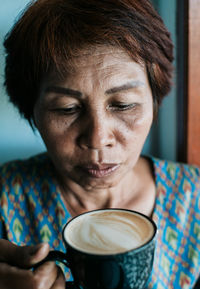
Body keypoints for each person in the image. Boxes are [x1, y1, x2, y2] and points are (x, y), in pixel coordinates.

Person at [0, 0, 199, 288]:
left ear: (155, 103)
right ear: (32, 110)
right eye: (67, 109)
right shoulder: (6, 198)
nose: (97, 139)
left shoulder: (194, 200)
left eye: (123, 105)